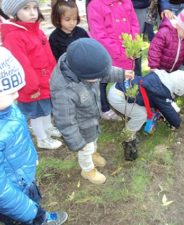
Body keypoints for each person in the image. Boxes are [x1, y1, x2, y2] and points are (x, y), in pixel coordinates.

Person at [50, 38, 134, 185]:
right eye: (95, 78)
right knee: (85, 149)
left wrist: (122, 74)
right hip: (80, 127)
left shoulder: (85, 67)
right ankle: (88, 170)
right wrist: (77, 142)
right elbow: (65, 121)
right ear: (83, 74)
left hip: (91, 118)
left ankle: (92, 152)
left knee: (93, 141)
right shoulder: (64, 90)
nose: (98, 79)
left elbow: (104, 72)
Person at [0, 47, 68, 225]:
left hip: (24, 176)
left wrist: (32, 156)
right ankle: (40, 218)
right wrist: (29, 212)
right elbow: (2, 193)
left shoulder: (9, 109)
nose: (17, 94)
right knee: (24, 218)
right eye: (9, 91)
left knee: (33, 203)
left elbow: (21, 136)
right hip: (13, 195)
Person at [1, 0, 62, 149]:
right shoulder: (14, 36)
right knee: (36, 113)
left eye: (35, 7)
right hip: (32, 86)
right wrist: (32, 88)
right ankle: (42, 138)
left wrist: (55, 73)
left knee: (46, 108)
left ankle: (47, 126)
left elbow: (48, 55)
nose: (33, 12)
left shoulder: (37, 30)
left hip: (45, 80)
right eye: (26, 8)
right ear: (14, 13)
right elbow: (22, 64)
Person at [108, 69, 184, 161]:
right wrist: (178, 123)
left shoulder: (161, 78)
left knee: (146, 108)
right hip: (118, 97)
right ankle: (128, 135)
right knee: (142, 115)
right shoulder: (161, 92)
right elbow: (170, 114)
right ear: (178, 88)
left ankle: (128, 117)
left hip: (118, 87)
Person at [86, 0, 140, 120]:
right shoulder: (95, 5)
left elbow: (134, 23)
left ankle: (126, 102)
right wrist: (121, 52)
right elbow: (99, 35)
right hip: (109, 53)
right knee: (103, 81)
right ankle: (104, 108)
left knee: (127, 78)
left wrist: (134, 46)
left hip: (128, 50)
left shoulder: (127, 1)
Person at [148, 5, 184, 72]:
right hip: (159, 69)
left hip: (173, 70)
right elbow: (155, 50)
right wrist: (154, 67)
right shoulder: (164, 32)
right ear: (179, 24)